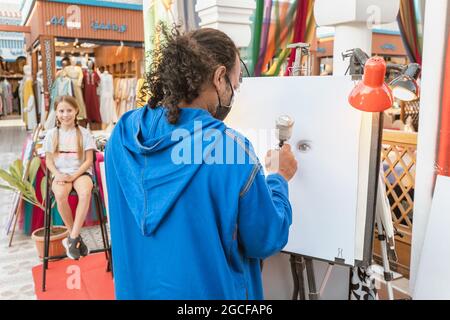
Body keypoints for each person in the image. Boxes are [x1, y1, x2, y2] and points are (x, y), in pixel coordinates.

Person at [105, 26, 298, 299]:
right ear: (220, 78)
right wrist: (279, 177)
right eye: (235, 84)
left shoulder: (122, 135)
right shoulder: (231, 150)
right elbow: (264, 238)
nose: (233, 94)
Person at [43, 95, 97, 260]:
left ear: (76, 111)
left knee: (85, 192)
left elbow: (89, 160)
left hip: (80, 172)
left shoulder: (84, 133)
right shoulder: (52, 134)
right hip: (60, 172)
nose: (65, 114)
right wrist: (58, 174)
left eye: (69, 110)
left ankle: (72, 238)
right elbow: (49, 160)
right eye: (61, 111)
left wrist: (74, 175)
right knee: (60, 195)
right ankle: (76, 237)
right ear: (56, 113)